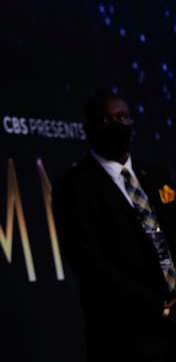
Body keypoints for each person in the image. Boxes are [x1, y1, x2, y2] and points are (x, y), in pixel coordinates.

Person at [52, 89, 176, 361]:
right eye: (106, 120)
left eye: (122, 117)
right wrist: (161, 308)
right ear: (88, 129)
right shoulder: (73, 188)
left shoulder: (156, 175)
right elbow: (93, 266)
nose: (116, 125)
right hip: (127, 338)